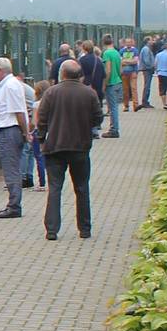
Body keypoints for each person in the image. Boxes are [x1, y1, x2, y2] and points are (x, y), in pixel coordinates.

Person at [36, 58, 103, 240]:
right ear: (79, 75)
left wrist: (42, 139)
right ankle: (85, 229)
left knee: (55, 188)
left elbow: (41, 120)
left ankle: (51, 230)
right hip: (80, 148)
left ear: (62, 74)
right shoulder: (89, 94)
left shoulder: (51, 93)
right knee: (82, 188)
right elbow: (98, 118)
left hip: (55, 147)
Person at [0, 56, 30, 218]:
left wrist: (26, 133)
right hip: (10, 129)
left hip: (9, 131)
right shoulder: (8, 85)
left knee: (11, 169)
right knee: (12, 168)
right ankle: (14, 203)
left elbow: (18, 111)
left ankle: (14, 206)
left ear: (0, 70)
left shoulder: (10, 86)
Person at [99, 35, 123, 138]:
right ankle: (114, 128)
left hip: (111, 83)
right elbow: (121, 70)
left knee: (112, 108)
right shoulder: (117, 53)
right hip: (118, 81)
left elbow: (107, 70)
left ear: (103, 43)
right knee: (115, 106)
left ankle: (114, 130)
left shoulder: (106, 53)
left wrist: (104, 84)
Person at [120, 38, 139, 112]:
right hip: (124, 72)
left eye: (129, 42)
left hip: (133, 72)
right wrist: (130, 61)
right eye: (127, 42)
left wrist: (125, 61)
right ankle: (126, 106)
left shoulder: (135, 50)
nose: (128, 44)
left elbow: (135, 61)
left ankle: (136, 105)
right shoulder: (122, 51)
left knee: (134, 89)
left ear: (132, 43)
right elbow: (120, 62)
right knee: (125, 90)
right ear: (125, 43)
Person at [138, 36, 156, 108]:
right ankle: (145, 101)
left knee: (147, 85)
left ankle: (145, 101)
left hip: (147, 69)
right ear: (148, 41)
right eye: (151, 40)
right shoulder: (146, 49)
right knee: (147, 85)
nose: (153, 41)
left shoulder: (147, 49)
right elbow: (146, 61)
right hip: (147, 70)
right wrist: (152, 66)